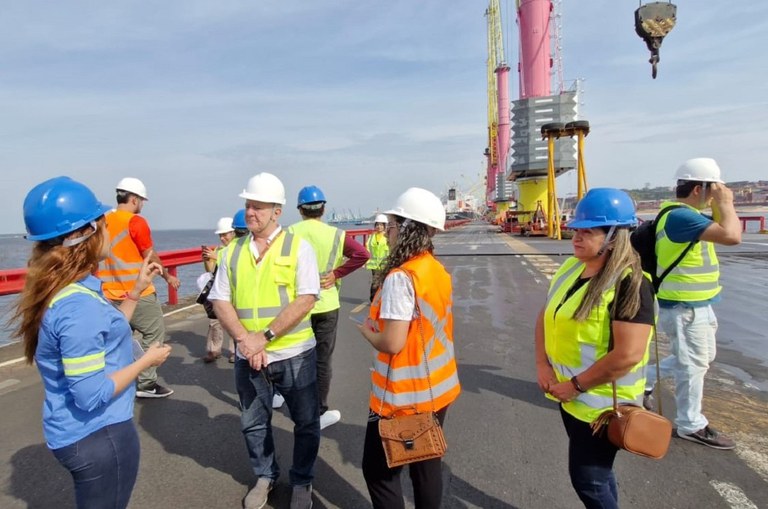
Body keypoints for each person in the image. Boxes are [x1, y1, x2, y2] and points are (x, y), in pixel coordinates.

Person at [11, 176, 172, 509]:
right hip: (100, 435)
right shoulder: (77, 307)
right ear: (84, 236)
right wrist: (146, 361)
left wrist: (135, 290)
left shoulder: (67, 289)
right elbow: (90, 394)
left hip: (80, 433)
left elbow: (106, 331)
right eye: (101, 223)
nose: (108, 228)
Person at [535, 188, 654, 509]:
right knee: (599, 476)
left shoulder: (630, 283)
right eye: (576, 229)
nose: (576, 237)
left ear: (615, 236)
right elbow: (547, 315)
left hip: (602, 408)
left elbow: (627, 354)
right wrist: (543, 365)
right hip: (569, 399)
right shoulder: (572, 268)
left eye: (588, 232)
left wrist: (575, 386)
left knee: (589, 479)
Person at [209, 172, 320, 509]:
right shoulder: (232, 252)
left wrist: (265, 337)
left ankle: (302, 480)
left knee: (305, 421)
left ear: (277, 211)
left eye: (257, 206)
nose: (250, 212)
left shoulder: (299, 248)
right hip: (248, 354)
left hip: (294, 353)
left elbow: (306, 298)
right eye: (247, 205)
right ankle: (265, 475)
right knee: (253, 423)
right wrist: (245, 340)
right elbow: (220, 300)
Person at [358, 187, 460, 509]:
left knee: (378, 472)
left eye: (390, 226)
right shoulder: (434, 270)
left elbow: (392, 342)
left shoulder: (401, 278)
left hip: (401, 397)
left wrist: (367, 332)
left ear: (405, 228)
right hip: (437, 391)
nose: (387, 232)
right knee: (426, 465)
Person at [644, 158, 742, 449]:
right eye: (714, 189)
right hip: (685, 306)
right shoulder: (681, 218)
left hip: (696, 304)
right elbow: (732, 235)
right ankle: (690, 424)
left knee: (699, 359)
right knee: (692, 366)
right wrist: (726, 203)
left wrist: (718, 204)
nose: (718, 194)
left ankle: (645, 379)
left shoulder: (687, 215)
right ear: (700, 188)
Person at [288, 185, 370, 429]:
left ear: (300, 209)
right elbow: (362, 255)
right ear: (323, 208)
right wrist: (336, 273)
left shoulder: (290, 233)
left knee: (296, 356)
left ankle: (297, 405)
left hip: (298, 305)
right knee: (322, 360)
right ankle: (319, 411)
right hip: (327, 304)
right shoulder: (336, 234)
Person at [96, 177, 178, 398]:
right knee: (154, 333)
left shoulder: (103, 220)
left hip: (107, 293)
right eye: (142, 200)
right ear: (134, 199)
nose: (142, 204)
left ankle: (118, 377)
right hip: (137, 291)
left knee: (120, 336)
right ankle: (146, 383)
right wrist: (168, 276)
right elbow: (149, 256)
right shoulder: (135, 222)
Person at [200, 216, 236, 363]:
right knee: (214, 321)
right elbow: (210, 271)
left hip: (233, 290)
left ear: (233, 233)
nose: (222, 238)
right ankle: (213, 350)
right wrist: (208, 260)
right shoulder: (219, 249)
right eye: (220, 235)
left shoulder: (238, 249)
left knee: (234, 320)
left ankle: (235, 351)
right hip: (219, 289)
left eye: (225, 234)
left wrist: (218, 257)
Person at [365, 214, 390, 302]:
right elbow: (367, 248)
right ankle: (373, 300)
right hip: (374, 265)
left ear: (384, 226)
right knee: (375, 283)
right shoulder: (372, 237)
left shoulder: (388, 237)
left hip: (385, 264)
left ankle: (382, 300)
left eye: (381, 225)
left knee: (384, 283)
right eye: (377, 224)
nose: (379, 227)